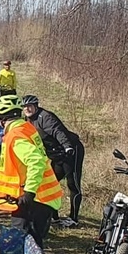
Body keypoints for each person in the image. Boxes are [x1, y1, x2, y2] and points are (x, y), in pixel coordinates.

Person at [0, 95, 64, 250]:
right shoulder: (25, 128)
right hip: (39, 196)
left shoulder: (15, 136)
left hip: (36, 198)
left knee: (23, 244)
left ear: (1, 119)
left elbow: (36, 161)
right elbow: (3, 163)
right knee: (28, 244)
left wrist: (29, 192)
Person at [23, 95, 85, 226]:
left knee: (73, 184)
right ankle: (54, 217)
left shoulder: (45, 117)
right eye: (24, 107)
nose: (27, 109)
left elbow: (58, 131)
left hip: (71, 150)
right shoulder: (27, 120)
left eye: (30, 106)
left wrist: (67, 146)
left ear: (36, 106)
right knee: (50, 184)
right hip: (56, 155)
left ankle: (73, 219)